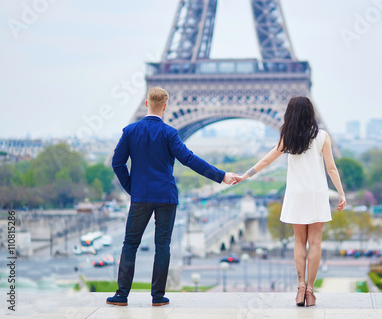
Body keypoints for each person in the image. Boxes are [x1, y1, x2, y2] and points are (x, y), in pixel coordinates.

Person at [106, 87, 236, 307]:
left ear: (146, 103)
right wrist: (221, 176)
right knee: (162, 246)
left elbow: (117, 163)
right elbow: (190, 159)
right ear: (165, 107)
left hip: (140, 197)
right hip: (166, 196)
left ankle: (122, 295)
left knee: (130, 245)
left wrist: (132, 188)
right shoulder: (169, 133)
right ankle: (157, 296)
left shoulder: (129, 131)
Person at [235, 96, 346, 307]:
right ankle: (311, 291)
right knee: (315, 243)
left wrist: (245, 175)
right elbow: (331, 168)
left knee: (299, 242)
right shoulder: (322, 137)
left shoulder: (288, 137)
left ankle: (300, 286)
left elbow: (267, 160)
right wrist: (341, 193)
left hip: (296, 194)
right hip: (316, 194)